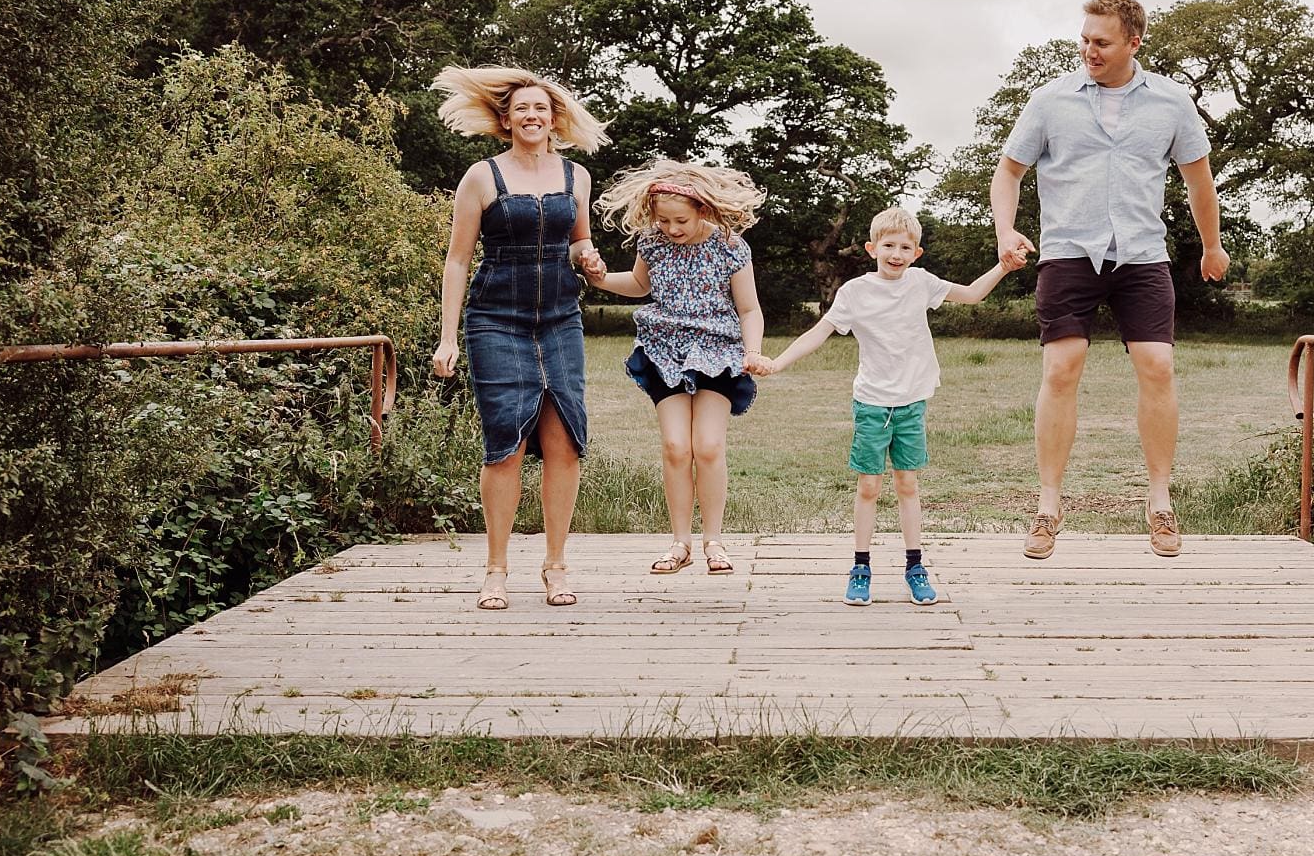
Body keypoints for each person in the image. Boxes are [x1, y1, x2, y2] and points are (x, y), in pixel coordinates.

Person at [988, 0, 1228, 561]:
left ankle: (1160, 499)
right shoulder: (1050, 100)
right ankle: (1048, 506)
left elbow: (1199, 183)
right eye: (1085, 39)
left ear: (1133, 42)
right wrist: (1004, 231)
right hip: (1069, 251)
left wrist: (1212, 247)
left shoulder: (1172, 102)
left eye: (1102, 42)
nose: (1089, 50)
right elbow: (1009, 170)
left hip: (1142, 254)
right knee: (1062, 368)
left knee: (1158, 366)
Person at [755, 204, 1021, 605]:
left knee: (907, 484)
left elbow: (971, 294)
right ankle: (860, 567)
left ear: (917, 254)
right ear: (871, 248)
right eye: (889, 245)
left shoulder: (921, 283)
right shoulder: (854, 292)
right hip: (872, 404)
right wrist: (776, 363)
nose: (896, 254)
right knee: (868, 486)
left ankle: (915, 567)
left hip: (911, 402)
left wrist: (1003, 266)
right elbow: (819, 332)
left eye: (905, 247)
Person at [430, 65, 607, 610]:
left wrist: (588, 257)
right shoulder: (482, 177)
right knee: (505, 445)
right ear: (505, 121)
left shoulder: (576, 176)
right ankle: (496, 570)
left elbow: (578, 242)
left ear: (555, 119)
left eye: (542, 109)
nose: (533, 117)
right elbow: (458, 260)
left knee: (564, 442)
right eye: (522, 110)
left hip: (560, 320)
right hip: (495, 320)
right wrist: (448, 337)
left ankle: (556, 566)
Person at [584, 155, 768, 575]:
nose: (671, 229)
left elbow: (749, 309)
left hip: (718, 352)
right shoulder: (652, 243)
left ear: (703, 209)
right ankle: (680, 542)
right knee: (674, 447)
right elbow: (638, 284)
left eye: (680, 221)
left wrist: (752, 351)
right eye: (663, 221)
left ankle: (714, 541)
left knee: (707, 446)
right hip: (663, 349)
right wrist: (599, 280)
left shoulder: (730, 247)